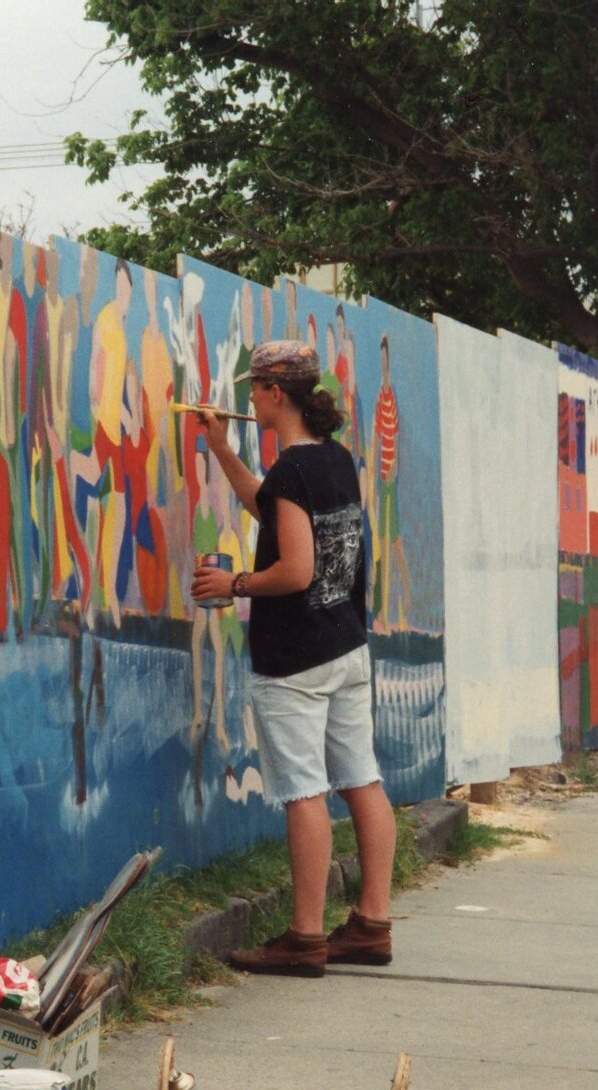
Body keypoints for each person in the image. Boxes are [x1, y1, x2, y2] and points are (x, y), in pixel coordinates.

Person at [191, 339, 396, 975]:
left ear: (276, 395)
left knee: (304, 791)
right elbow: (277, 516)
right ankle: (371, 924)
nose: (249, 397)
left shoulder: (292, 471)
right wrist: (223, 448)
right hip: (345, 646)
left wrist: (235, 585)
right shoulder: (335, 461)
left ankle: (305, 938)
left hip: (296, 661)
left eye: (254, 388)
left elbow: (296, 567)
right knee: (362, 779)